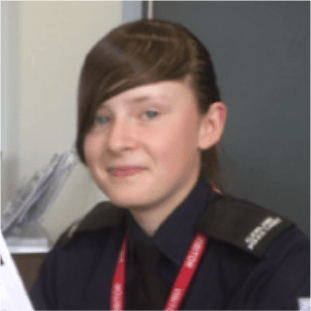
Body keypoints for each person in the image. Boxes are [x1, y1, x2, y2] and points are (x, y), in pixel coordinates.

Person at [30, 19, 310, 311]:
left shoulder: (276, 263)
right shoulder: (74, 256)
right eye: (100, 119)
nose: (116, 141)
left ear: (209, 126)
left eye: (149, 113)